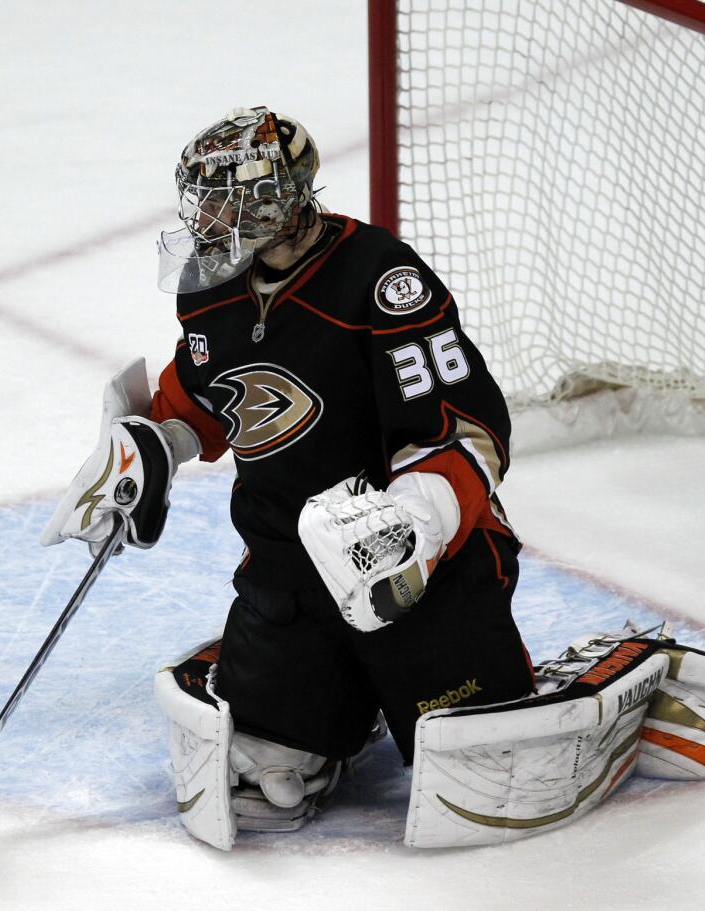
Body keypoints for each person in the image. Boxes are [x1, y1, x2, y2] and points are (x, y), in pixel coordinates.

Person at [41, 106, 537, 849]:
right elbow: (212, 385)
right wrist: (156, 441)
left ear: (278, 197)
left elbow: (470, 431)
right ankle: (332, 703)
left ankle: (426, 682)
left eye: (224, 198)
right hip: (288, 573)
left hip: (414, 575)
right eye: (199, 199)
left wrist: (420, 518)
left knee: (483, 752)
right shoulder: (211, 286)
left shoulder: (379, 281)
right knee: (263, 765)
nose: (206, 217)